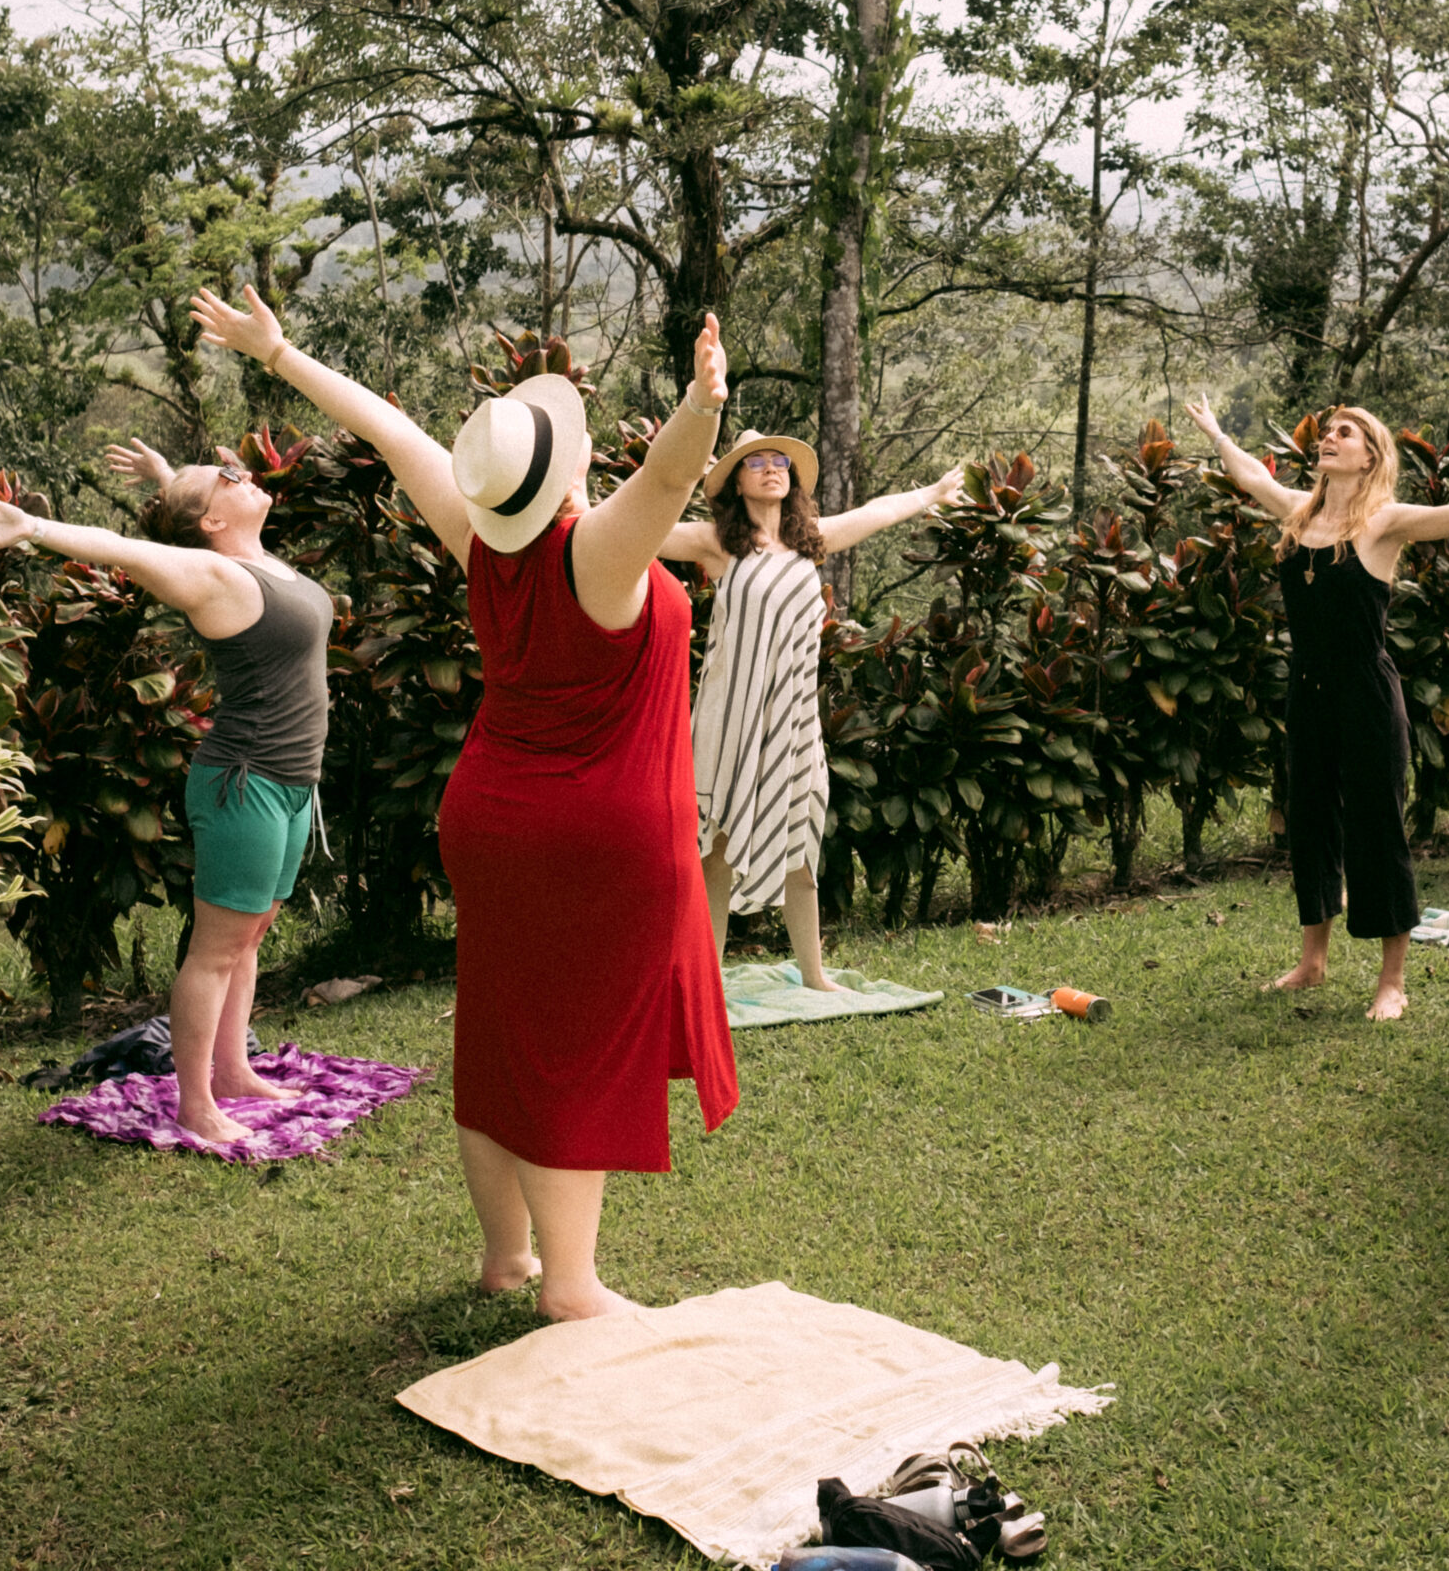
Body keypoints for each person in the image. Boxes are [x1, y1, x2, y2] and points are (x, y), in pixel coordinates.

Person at [188, 283, 737, 1322]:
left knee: (497, 1032)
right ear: (570, 471)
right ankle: (569, 1288)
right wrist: (705, 403)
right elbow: (667, 477)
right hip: (589, 836)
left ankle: (505, 1255)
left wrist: (280, 353)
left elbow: (391, 430)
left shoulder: (483, 542)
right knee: (573, 1048)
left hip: (491, 820)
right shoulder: (595, 552)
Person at [0, 439, 335, 1151]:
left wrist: (173, 480)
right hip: (243, 784)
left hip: (291, 782)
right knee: (217, 949)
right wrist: (32, 528)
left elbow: (188, 526)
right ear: (211, 523)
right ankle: (197, 1103)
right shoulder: (213, 575)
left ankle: (236, 1071)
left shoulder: (253, 557)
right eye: (227, 478)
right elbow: (122, 547)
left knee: (248, 937)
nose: (242, 473)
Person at [1184, 397, 1449, 1018]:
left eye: (1346, 433)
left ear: (1371, 457)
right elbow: (1252, 476)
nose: (1330, 438)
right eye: (1329, 431)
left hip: (1365, 693)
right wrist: (1216, 432)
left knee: (1376, 827)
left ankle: (1393, 981)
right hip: (1307, 693)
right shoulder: (1299, 513)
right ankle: (1313, 961)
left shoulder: (1385, 523)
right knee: (1309, 821)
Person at [663, 434, 964, 988]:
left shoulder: (809, 541)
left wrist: (933, 494)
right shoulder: (717, 542)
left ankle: (814, 975)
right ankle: (706, 982)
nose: (772, 469)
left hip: (793, 718)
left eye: (781, 462)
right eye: (757, 462)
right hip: (731, 719)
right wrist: (576, 507)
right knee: (720, 845)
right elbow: (640, 531)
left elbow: (876, 513)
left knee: (801, 842)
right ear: (736, 480)